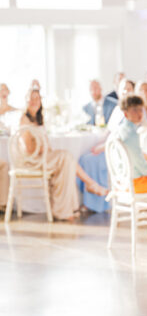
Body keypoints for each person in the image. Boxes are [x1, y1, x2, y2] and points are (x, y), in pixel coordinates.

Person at [20, 89, 107, 219]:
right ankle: (89, 185)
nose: (34, 101)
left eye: (37, 98)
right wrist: (42, 149)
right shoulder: (24, 120)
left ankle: (65, 209)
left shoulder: (38, 118)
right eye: (31, 98)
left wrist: (46, 149)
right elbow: (28, 149)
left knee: (68, 162)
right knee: (67, 157)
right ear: (26, 100)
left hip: (44, 157)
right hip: (33, 160)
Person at [115, 95, 147, 192]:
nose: (139, 113)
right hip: (134, 182)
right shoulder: (130, 134)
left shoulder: (121, 129)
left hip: (123, 180)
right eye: (135, 110)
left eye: (141, 109)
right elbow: (142, 166)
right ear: (125, 113)